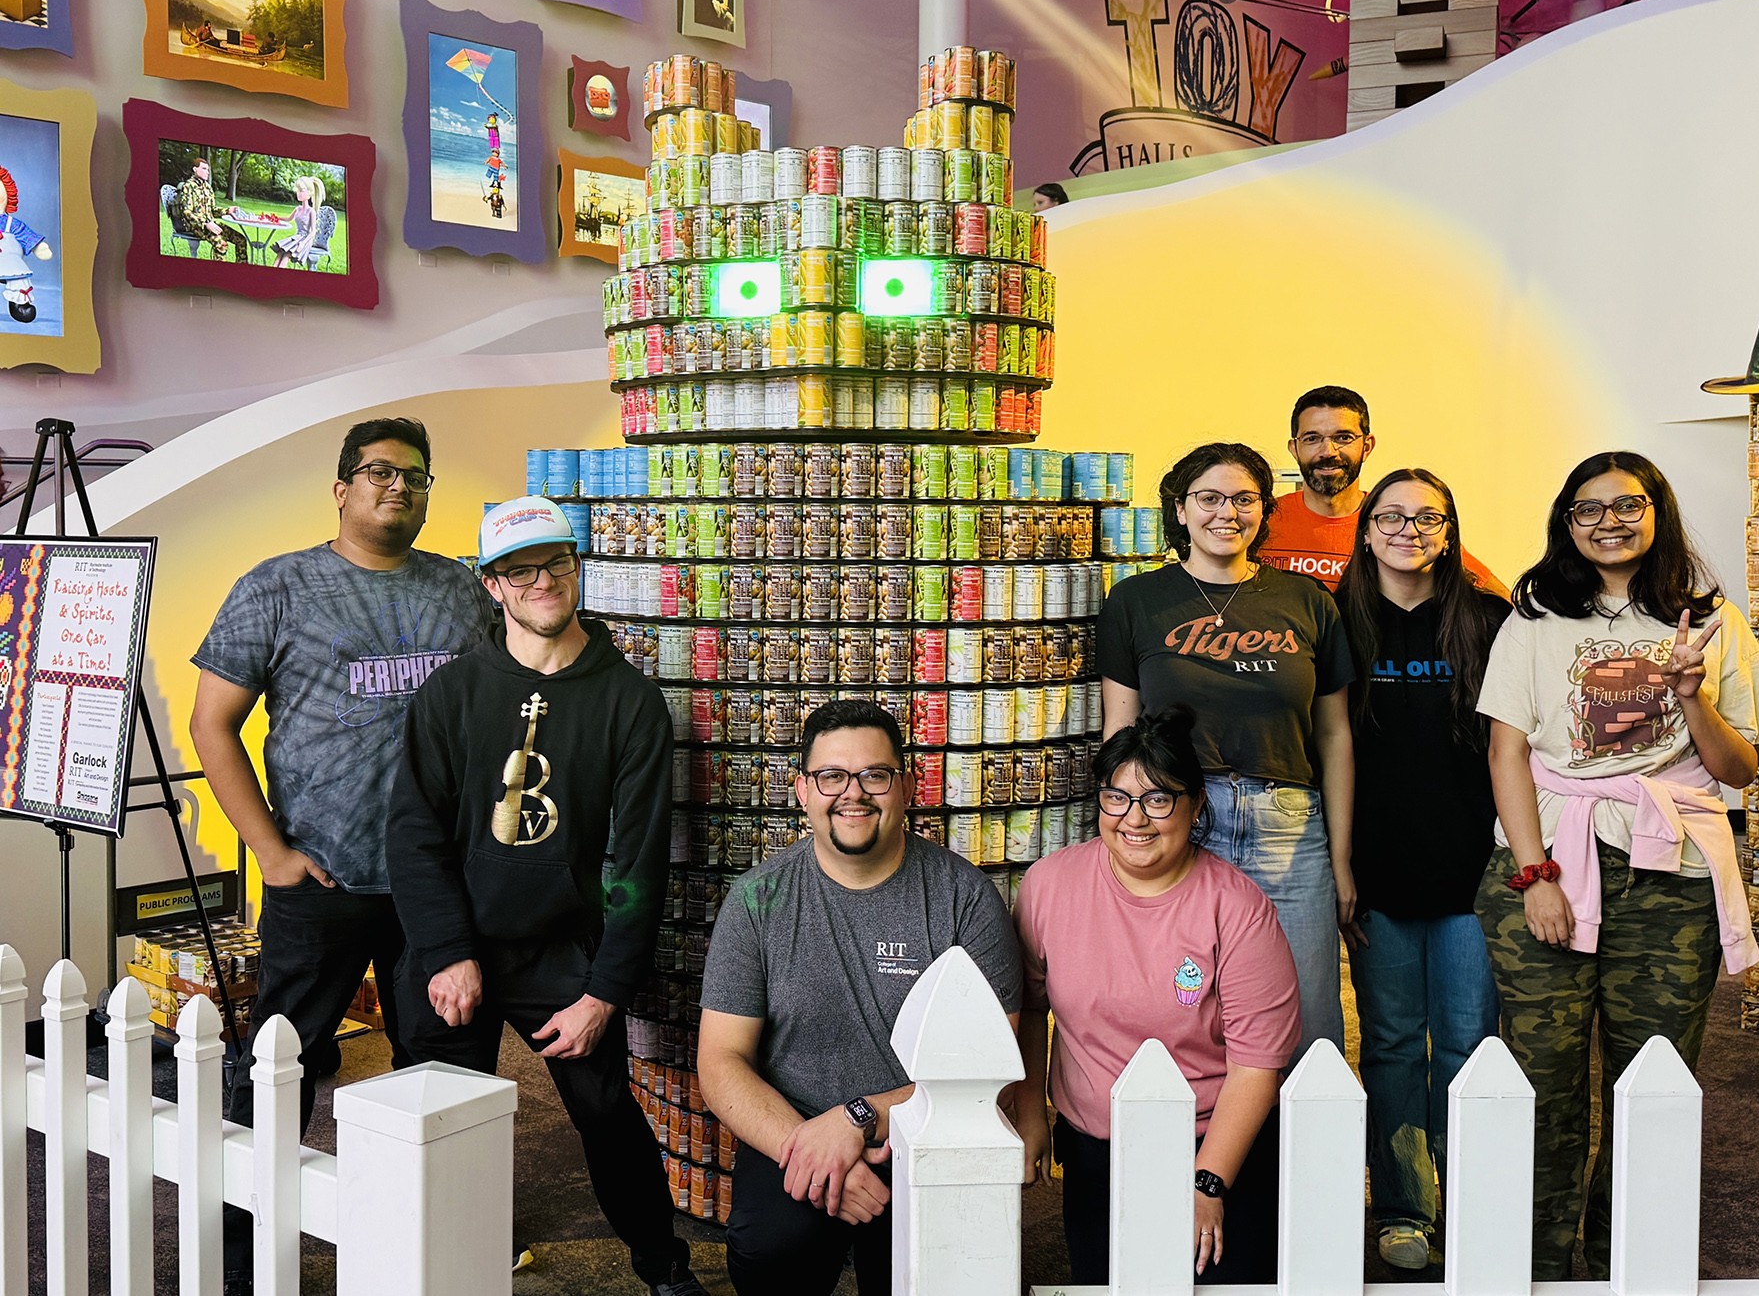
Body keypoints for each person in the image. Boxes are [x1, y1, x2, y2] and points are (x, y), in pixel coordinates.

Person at [189, 418, 492, 1295]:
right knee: (284, 1062)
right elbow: (214, 725)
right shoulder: (277, 587)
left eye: (417, 479)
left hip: (435, 886)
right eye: (380, 473)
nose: (399, 489)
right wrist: (271, 851)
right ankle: (242, 1241)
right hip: (320, 878)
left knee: (438, 1065)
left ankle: (429, 1227)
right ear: (341, 488)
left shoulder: (463, 592)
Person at [1477, 452, 1759, 1279]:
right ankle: (1536, 1262)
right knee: (1541, 1077)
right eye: (1588, 509)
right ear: (1566, 523)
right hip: (1548, 860)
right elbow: (1506, 750)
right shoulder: (1536, 618)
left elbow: (1741, 770)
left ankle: (1631, 1259)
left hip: (1669, 867)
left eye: (1627, 504)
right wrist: (1535, 875)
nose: (1608, 521)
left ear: (1658, 511)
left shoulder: (1711, 616)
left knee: (1653, 1074)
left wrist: (1692, 695)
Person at [384, 497, 706, 1296]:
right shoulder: (452, 694)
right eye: (521, 570)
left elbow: (636, 868)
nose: (543, 581)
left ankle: (662, 1267)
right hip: (456, 943)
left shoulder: (628, 704)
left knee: (606, 1115)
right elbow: (414, 835)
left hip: (561, 951)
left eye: (557, 562)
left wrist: (604, 992)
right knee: (434, 1119)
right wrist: (447, 953)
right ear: (492, 585)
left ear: (576, 565)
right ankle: (438, 1266)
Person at [697, 699, 1023, 1296]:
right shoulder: (756, 901)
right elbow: (720, 1062)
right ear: (802, 790)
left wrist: (859, 1120)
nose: (853, 794)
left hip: (927, 1133)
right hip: (791, 1128)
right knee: (767, 1253)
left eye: (874, 775)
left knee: (941, 1272)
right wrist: (814, 1153)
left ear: (907, 784)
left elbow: (992, 1073)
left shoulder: (967, 901)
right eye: (831, 777)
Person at [1013, 706, 1301, 1286]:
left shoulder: (1238, 908)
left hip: (1213, 1139)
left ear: (1196, 806)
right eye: (1116, 798)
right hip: (1096, 1143)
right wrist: (1031, 1114)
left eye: (1158, 799)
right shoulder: (1050, 884)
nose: (1134, 819)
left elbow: (1256, 1065)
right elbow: (1030, 1008)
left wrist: (1208, 1182)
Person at [1098, 441, 1355, 1058]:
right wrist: (1118, 836)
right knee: (1185, 1009)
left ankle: (1298, 1155)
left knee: (1308, 1021)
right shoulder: (1137, 601)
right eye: (1208, 498)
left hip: (1289, 827)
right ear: (1180, 511)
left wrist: (1341, 859)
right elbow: (1120, 730)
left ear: (1265, 511)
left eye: (1244, 500)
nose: (1227, 513)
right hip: (1178, 820)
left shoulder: (1308, 602)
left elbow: (1335, 736)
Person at [1332, 469, 1510, 1271]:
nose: (1409, 529)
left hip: (1475, 875)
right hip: (1377, 874)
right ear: (1366, 530)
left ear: (1449, 529)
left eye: (1427, 517)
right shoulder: (1336, 621)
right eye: (1391, 516)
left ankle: (1470, 1194)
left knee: (1470, 1044)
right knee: (1395, 1045)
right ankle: (1405, 1208)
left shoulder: (1490, 620)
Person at [1261, 385, 1506, 594]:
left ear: (1367, 446)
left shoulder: (1395, 524)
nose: (1328, 451)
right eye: (1312, 438)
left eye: (1343, 437)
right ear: (1294, 448)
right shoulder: (1261, 520)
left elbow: (1500, 598)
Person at [176, 157, 250, 263]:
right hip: (197, 226)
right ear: (195, 169)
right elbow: (187, 212)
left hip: (211, 224)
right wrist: (205, 223)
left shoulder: (208, 187)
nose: (207, 172)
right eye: (204, 169)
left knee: (241, 239)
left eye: (208, 170)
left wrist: (227, 211)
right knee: (221, 244)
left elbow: (213, 210)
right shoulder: (189, 186)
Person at [274, 175, 325, 268]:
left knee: (286, 254)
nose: (298, 193)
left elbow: (313, 232)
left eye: (301, 191)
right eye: (297, 190)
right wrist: (276, 218)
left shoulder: (311, 211)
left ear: (309, 193)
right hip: (297, 237)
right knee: (280, 252)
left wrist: (303, 243)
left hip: (305, 239)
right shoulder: (298, 209)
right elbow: (289, 219)